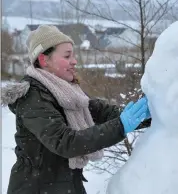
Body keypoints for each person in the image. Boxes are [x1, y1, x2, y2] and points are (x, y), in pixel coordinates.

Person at [1, 25, 151, 194]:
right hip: (36, 188)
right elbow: (66, 142)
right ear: (44, 60)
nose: (74, 61)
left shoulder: (67, 92)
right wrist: (121, 126)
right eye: (67, 55)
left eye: (73, 54)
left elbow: (103, 111)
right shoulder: (32, 97)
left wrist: (148, 114)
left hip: (67, 185)